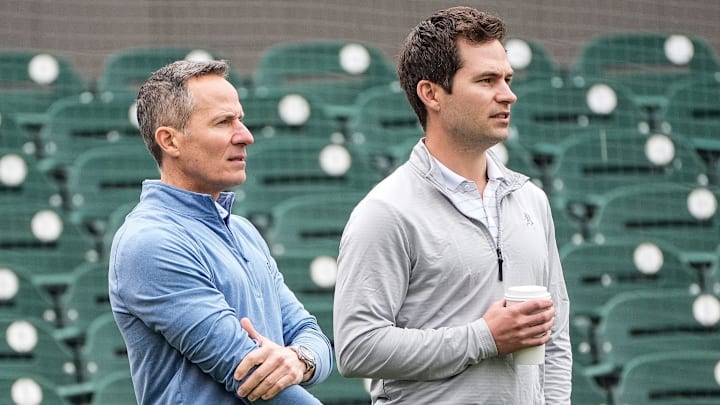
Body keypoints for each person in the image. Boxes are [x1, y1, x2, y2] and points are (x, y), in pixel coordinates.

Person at [333, 6, 572, 404]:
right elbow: (357, 347)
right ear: (431, 94)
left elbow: (556, 338)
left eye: (508, 79)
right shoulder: (385, 211)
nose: (508, 94)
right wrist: (484, 338)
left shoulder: (532, 200)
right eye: (486, 80)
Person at [108, 60, 333, 404]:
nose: (245, 136)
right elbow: (249, 375)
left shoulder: (243, 230)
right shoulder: (150, 242)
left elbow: (312, 336)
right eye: (223, 122)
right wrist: (294, 362)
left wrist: (298, 359)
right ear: (170, 140)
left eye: (240, 119)